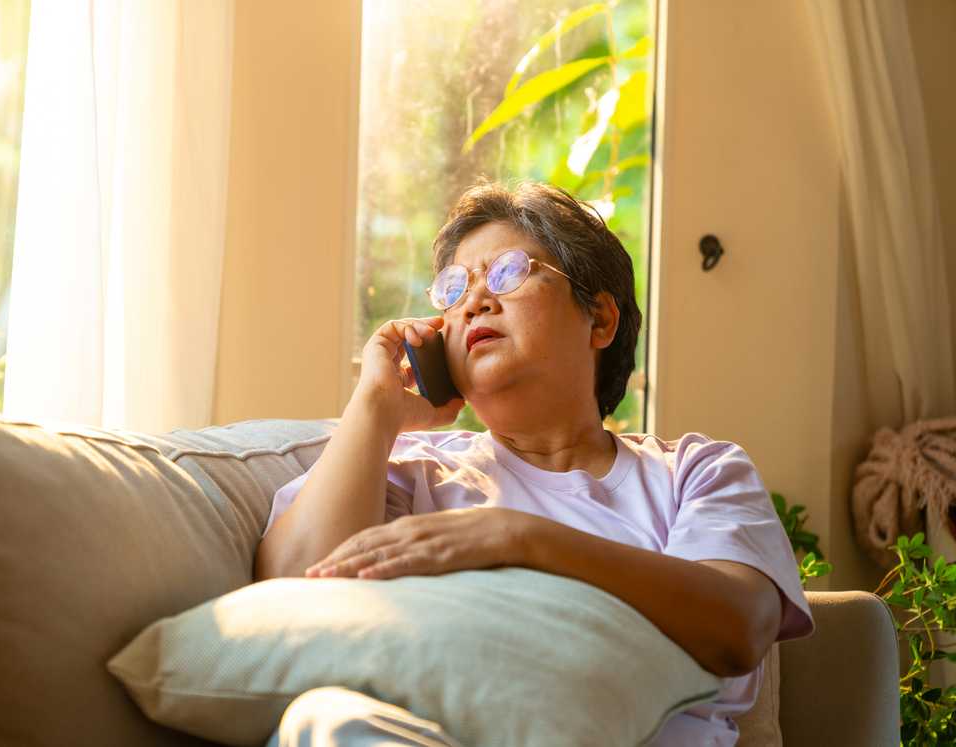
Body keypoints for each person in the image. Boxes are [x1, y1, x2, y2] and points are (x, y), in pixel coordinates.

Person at [254, 179, 814, 747]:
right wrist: (375, 406)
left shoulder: (696, 471)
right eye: (454, 290)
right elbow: (291, 600)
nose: (474, 302)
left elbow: (739, 627)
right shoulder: (412, 472)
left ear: (599, 320)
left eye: (509, 273)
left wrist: (518, 539)